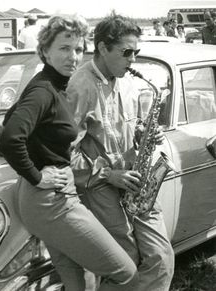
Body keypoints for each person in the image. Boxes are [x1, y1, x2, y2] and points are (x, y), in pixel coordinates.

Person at [0, 14, 140, 291]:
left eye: (77, 49)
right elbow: (10, 138)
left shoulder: (52, 84)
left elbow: (11, 120)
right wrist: (38, 175)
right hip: (49, 199)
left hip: (50, 194)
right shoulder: (43, 91)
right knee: (125, 272)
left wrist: (41, 160)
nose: (72, 57)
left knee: (78, 280)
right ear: (44, 51)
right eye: (64, 48)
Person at [66, 13, 175, 291]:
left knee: (161, 257)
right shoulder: (80, 86)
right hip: (102, 186)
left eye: (136, 52)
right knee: (125, 263)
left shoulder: (128, 80)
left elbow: (131, 125)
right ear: (103, 48)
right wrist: (108, 173)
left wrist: (144, 133)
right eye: (127, 52)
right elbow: (64, 152)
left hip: (135, 181)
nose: (133, 60)